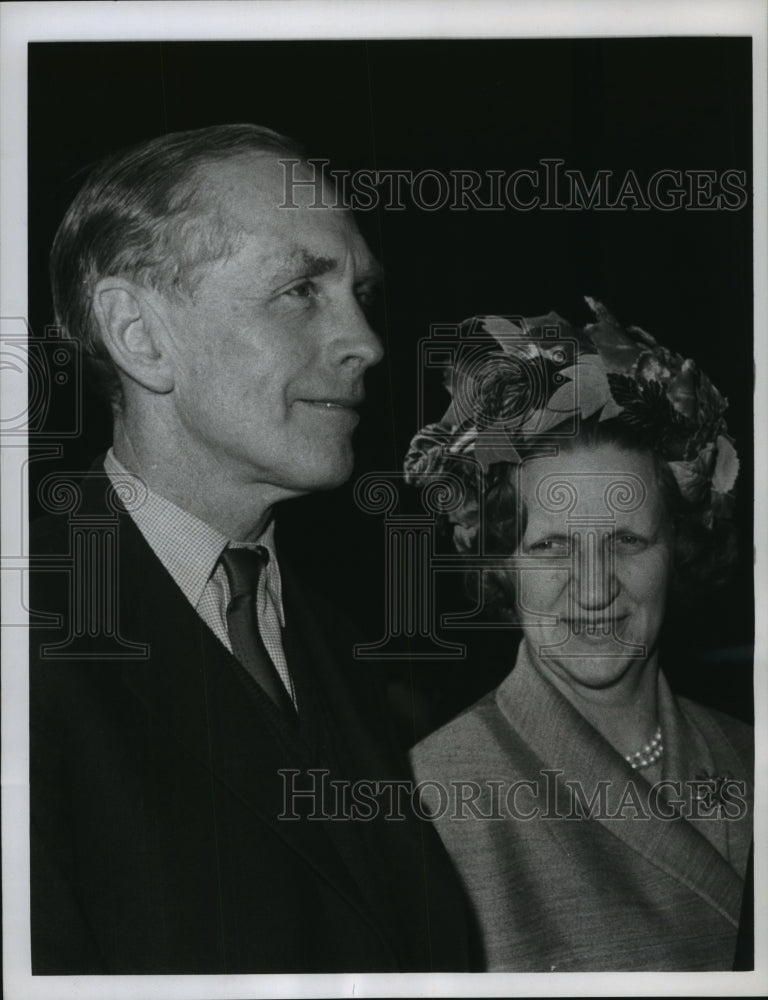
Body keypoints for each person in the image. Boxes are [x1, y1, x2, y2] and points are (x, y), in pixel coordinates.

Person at [29, 124, 470, 974]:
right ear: (139, 334)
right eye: (302, 289)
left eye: (361, 294)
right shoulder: (26, 643)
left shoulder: (341, 647)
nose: (368, 344)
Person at [405, 301, 753, 971]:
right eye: (553, 546)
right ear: (502, 562)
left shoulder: (751, 757)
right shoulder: (434, 800)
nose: (594, 589)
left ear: (677, 550)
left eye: (627, 541)